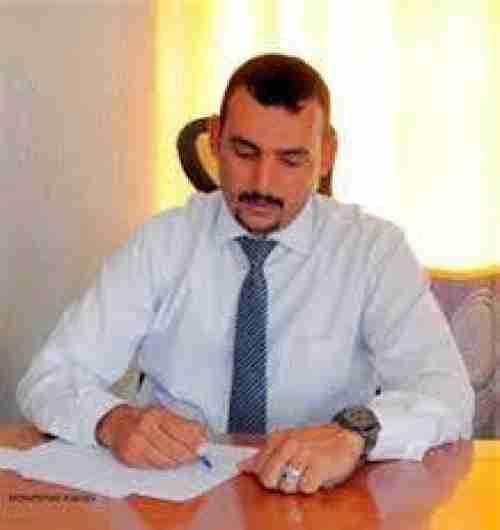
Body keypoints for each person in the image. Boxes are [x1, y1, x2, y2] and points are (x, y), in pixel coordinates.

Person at [17, 53, 474, 495]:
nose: (262, 183)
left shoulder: (374, 251)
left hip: (317, 499)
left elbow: (446, 393)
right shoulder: (163, 242)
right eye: (244, 152)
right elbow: (50, 377)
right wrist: (112, 421)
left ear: (327, 155)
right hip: (171, 501)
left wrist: (354, 435)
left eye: (291, 160)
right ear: (216, 139)